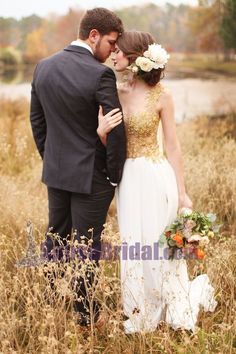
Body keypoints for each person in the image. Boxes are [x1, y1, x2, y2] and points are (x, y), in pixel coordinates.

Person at [97, 31, 217, 334]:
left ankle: (171, 303)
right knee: (134, 244)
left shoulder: (162, 95)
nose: (113, 56)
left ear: (134, 57)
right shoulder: (116, 92)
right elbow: (107, 141)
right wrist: (101, 133)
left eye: (119, 52)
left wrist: (182, 192)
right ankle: (141, 309)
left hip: (155, 175)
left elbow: (173, 146)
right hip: (128, 179)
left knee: (158, 244)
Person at [30, 8, 126, 327]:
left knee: (56, 237)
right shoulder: (100, 74)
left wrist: (52, 158)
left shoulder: (43, 67)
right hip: (92, 177)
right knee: (87, 245)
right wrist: (114, 175)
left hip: (57, 172)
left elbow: (37, 121)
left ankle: (54, 297)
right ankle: (85, 314)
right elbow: (115, 129)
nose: (113, 49)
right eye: (111, 42)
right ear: (93, 35)